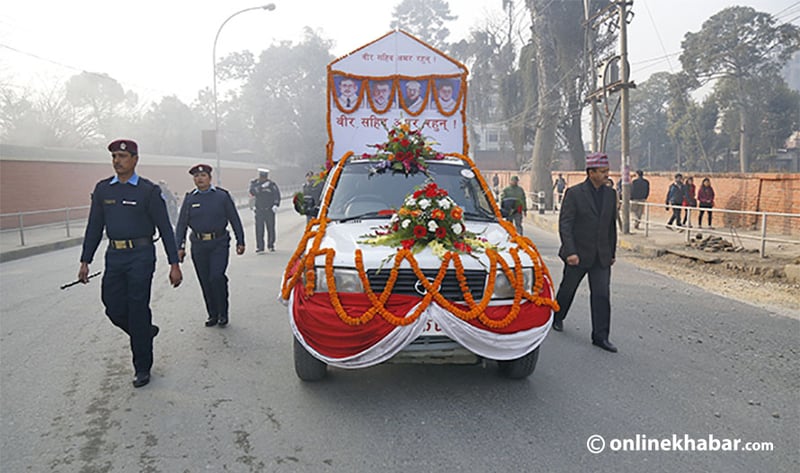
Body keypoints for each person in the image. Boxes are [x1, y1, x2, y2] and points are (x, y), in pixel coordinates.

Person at [78, 139, 183, 388]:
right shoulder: (104, 190)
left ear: (135, 160)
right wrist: (85, 260)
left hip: (141, 255)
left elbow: (165, 228)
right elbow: (94, 227)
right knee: (112, 307)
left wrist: (174, 263)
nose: (117, 161)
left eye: (122, 156)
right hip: (114, 255)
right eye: (114, 156)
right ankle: (144, 332)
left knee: (137, 308)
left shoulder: (148, 191)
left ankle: (142, 366)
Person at [551, 152, 618, 353]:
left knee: (602, 295)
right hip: (578, 255)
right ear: (591, 172)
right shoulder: (574, 193)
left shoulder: (610, 194)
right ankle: (557, 316)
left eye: (607, 171)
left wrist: (611, 252)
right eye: (603, 171)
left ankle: (601, 336)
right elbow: (566, 224)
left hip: (601, 256)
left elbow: (610, 226)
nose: (607, 174)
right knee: (568, 289)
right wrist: (570, 251)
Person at [175, 164, 245, 328]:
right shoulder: (190, 198)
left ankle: (223, 312)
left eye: (203, 175)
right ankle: (212, 313)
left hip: (219, 243)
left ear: (210, 178)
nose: (199, 179)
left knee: (216, 277)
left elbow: (234, 218)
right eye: (196, 176)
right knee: (205, 280)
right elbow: (181, 224)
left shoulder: (222, 196)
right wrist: (179, 246)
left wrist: (240, 240)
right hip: (199, 244)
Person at [249, 168, 281, 252]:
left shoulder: (271, 184)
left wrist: (276, 204)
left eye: (264, 177)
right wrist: (261, 187)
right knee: (259, 229)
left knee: (270, 228)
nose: (262, 178)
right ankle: (260, 247)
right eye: (261, 176)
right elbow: (252, 192)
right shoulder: (255, 183)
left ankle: (271, 245)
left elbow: (276, 195)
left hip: (269, 209)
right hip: (259, 209)